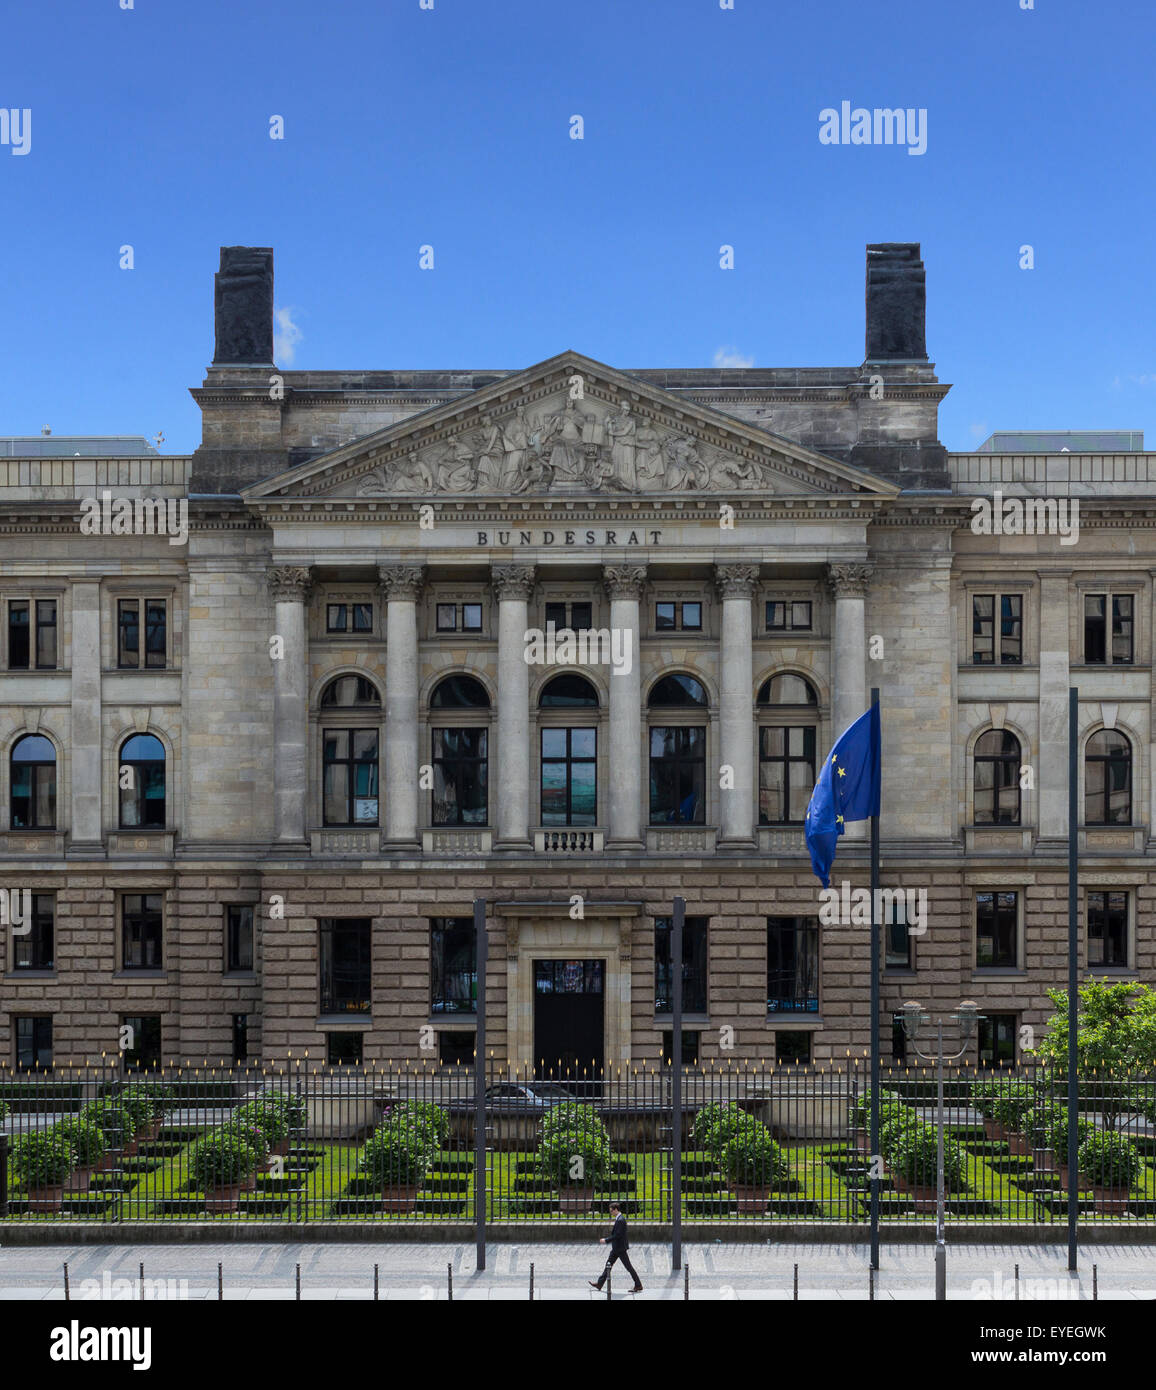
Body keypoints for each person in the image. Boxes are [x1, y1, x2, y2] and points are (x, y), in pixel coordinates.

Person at [589, 1202, 643, 1293]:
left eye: (611, 1211)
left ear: (616, 1209)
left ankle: (638, 1285)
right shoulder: (619, 1219)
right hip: (616, 1249)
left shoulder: (620, 1220)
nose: (611, 1213)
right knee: (608, 1265)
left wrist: (606, 1240)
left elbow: (618, 1235)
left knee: (628, 1267)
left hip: (620, 1249)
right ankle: (599, 1284)